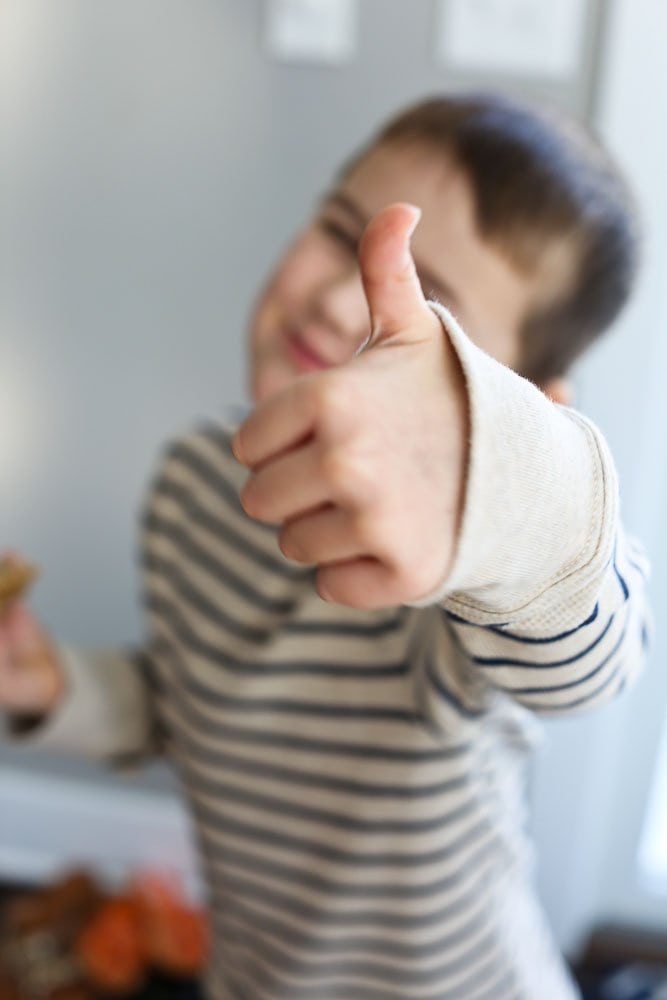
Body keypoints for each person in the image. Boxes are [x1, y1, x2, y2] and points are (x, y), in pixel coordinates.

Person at [0, 93, 650, 999]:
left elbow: (591, 664)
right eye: (342, 231)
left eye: (425, 305)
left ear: (513, 407)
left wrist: (514, 488)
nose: (340, 296)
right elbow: (198, 699)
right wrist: (58, 687)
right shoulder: (193, 482)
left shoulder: (463, 577)